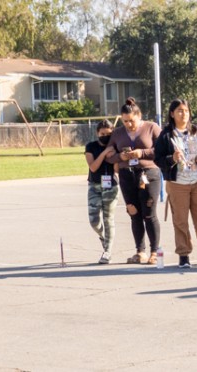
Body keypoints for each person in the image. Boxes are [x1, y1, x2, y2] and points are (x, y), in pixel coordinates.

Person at [154, 99, 197, 268]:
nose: (184, 114)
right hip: (178, 183)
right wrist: (171, 158)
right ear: (172, 114)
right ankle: (184, 255)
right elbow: (158, 159)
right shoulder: (166, 135)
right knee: (181, 221)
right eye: (179, 111)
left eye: (186, 111)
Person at [105, 97, 163, 265]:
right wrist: (120, 157)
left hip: (148, 174)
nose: (129, 124)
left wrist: (141, 153)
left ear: (139, 116)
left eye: (132, 120)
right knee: (134, 213)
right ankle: (140, 251)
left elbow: (160, 150)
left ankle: (154, 251)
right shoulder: (117, 133)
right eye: (125, 121)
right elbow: (109, 156)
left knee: (149, 213)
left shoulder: (151, 127)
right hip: (126, 175)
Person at [85, 122, 119, 264]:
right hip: (95, 185)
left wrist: (115, 156)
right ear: (98, 133)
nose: (105, 136)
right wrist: (105, 153)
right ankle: (103, 236)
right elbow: (93, 167)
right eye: (102, 134)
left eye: (108, 134)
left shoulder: (115, 146)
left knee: (108, 218)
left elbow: (117, 169)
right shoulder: (91, 147)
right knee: (94, 221)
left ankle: (107, 251)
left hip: (110, 186)